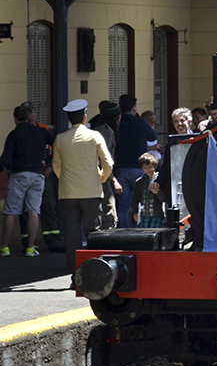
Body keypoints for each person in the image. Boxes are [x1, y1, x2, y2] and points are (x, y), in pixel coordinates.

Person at [52, 99, 113, 278]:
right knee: (93, 233)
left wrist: (65, 180)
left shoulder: (60, 138)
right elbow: (108, 163)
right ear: (85, 117)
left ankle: (76, 274)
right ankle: (93, 272)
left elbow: (56, 165)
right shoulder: (94, 136)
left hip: (68, 193)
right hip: (92, 191)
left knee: (72, 237)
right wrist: (101, 177)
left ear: (69, 119)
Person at [0, 104, 54, 257]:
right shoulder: (42, 132)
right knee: (33, 211)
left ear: (15, 119)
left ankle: (4, 247)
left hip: (19, 175)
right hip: (38, 175)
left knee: (11, 212)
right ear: (29, 117)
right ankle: (31, 247)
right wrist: (48, 161)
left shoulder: (14, 134)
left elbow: (6, 158)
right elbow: (56, 143)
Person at [112, 95, 157, 229]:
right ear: (134, 108)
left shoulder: (116, 124)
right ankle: (140, 235)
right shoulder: (140, 122)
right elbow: (153, 136)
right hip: (139, 168)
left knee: (123, 206)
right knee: (142, 203)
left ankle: (122, 236)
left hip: (120, 168)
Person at [89, 100, 124, 229]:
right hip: (102, 177)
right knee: (109, 213)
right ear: (116, 117)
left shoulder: (97, 127)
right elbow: (104, 159)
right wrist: (113, 180)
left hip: (97, 176)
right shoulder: (107, 132)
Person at [130, 152, 164, 228]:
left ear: (154, 166)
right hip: (144, 215)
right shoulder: (139, 182)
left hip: (157, 215)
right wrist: (135, 212)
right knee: (144, 235)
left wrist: (158, 192)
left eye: (149, 167)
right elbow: (135, 198)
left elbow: (164, 198)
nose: (147, 170)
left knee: (155, 235)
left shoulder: (159, 179)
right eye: (144, 168)